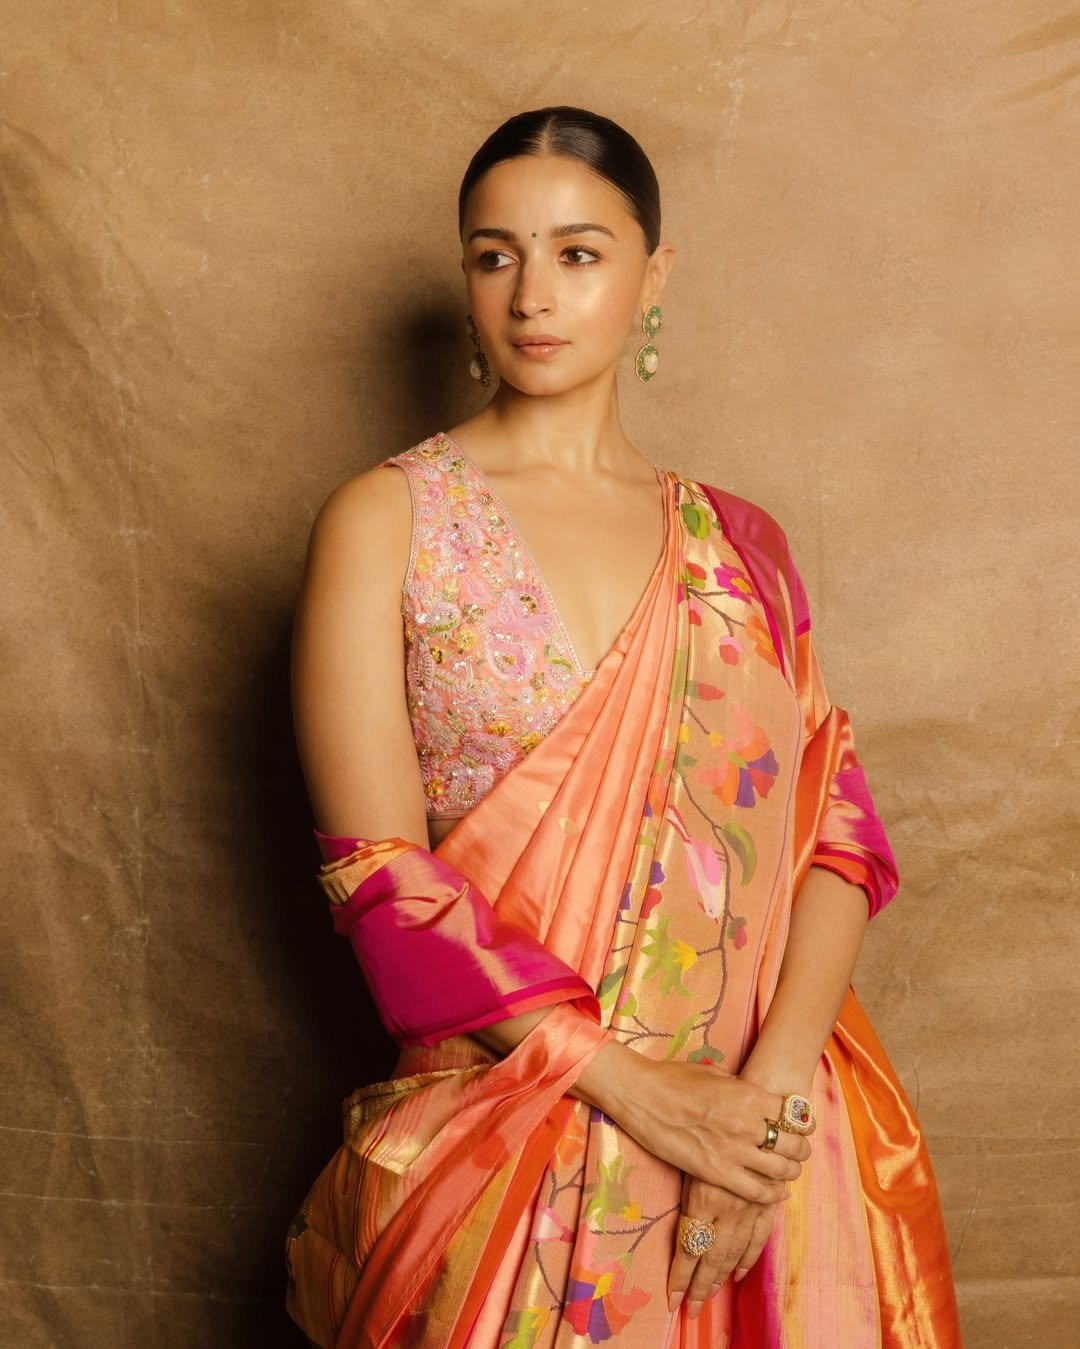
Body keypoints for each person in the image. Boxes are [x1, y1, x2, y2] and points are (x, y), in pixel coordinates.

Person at [284, 106, 960, 1348]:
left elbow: (837, 831)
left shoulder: (740, 547)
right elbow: (381, 878)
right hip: (508, 1146)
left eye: (579, 253)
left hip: (760, 1161)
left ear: (654, 279)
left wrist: (764, 1114)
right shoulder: (386, 521)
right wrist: (645, 1095)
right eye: (496, 256)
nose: (533, 294)